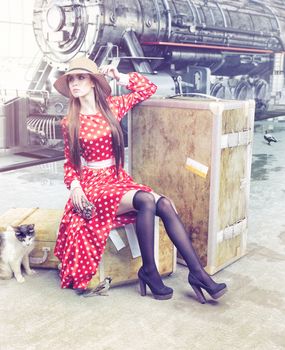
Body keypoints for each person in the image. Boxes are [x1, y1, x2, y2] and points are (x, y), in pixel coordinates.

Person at [53, 57, 227, 303]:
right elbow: (70, 163)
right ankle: (150, 270)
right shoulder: (70, 121)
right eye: (71, 79)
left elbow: (148, 89)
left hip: (116, 179)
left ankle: (197, 273)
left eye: (81, 77)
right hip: (93, 185)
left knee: (163, 204)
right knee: (146, 200)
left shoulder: (112, 107)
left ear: (93, 82)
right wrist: (75, 186)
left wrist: (119, 76)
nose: (74, 83)